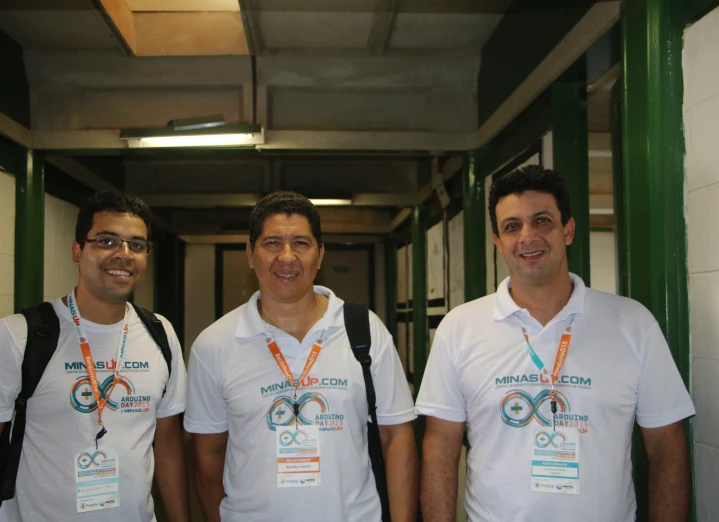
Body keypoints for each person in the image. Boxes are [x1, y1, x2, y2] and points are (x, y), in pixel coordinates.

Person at [416, 166, 695, 522]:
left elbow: (667, 445)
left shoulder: (632, 324)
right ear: (498, 242)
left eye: (542, 221)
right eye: (512, 226)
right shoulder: (460, 327)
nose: (528, 237)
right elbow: (440, 446)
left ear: (568, 230)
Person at [0, 191, 189, 522]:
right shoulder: (20, 335)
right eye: (106, 241)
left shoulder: (160, 333)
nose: (124, 254)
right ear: (77, 251)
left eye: (137, 244)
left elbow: (169, 446)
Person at [185, 191, 419, 522]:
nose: (286, 257)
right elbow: (208, 456)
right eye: (272, 243)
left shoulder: (364, 330)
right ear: (250, 254)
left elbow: (396, 436)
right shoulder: (214, 345)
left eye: (301, 243)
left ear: (320, 254)